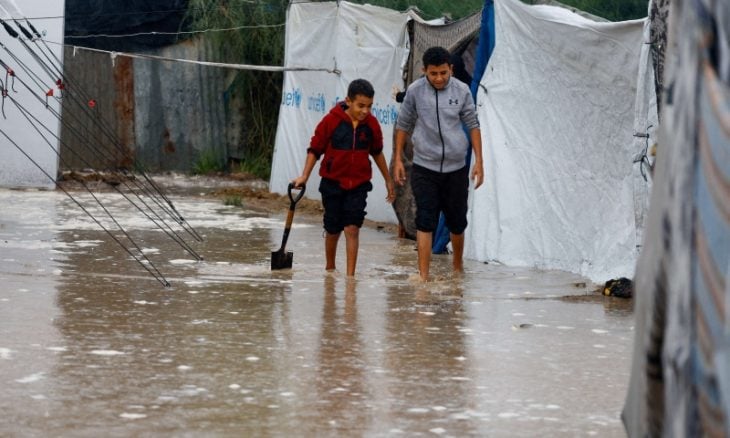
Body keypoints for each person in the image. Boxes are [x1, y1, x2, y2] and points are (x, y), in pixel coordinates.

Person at [392, 46, 484, 282]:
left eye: (443, 72)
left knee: (457, 222)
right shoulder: (415, 91)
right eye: (433, 73)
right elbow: (403, 124)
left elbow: (473, 124)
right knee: (425, 220)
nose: (439, 78)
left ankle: (457, 269)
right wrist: (398, 159)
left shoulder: (462, 91)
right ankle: (423, 277)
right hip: (424, 167)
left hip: (456, 168)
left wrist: (479, 161)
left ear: (451, 69)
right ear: (424, 71)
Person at [292, 78, 395, 277]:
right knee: (333, 228)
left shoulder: (372, 125)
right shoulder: (331, 121)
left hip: (359, 184)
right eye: (361, 106)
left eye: (370, 106)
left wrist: (388, 179)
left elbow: (377, 152)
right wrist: (304, 176)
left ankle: (350, 278)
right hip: (332, 183)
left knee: (352, 228)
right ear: (348, 101)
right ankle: (330, 269)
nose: (365, 111)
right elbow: (315, 149)